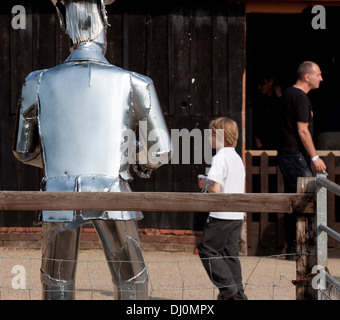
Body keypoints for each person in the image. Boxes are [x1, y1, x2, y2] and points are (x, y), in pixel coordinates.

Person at [12, 0, 172, 300]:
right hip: (114, 189)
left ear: (66, 29)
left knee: (56, 285)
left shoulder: (37, 80)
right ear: (105, 26)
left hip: (57, 193)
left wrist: (58, 161)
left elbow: (23, 151)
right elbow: (161, 150)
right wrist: (136, 163)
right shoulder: (135, 81)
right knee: (132, 283)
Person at [277, 61, 326, 259]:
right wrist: (314, 157)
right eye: (319, 74)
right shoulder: (301, 97)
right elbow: (302, 130)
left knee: (294, 201)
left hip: (286, 155)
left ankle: (293, 249)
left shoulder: (288, 94)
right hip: (296, 155)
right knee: (308, 199)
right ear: (307, 76)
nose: (321, 79)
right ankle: (305, 249)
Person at [197, 117, 247, 300]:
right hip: (236, 215)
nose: (209, 137)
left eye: (211, 134)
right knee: (230, 254)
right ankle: (238, 296)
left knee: (206, 249)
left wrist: (204, 183)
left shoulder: (219, 158)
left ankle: (227, 288)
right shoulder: (236, 158)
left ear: (220, 136)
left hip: (221, 214)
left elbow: (216, 188)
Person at [252, 73, 282, 150]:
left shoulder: (280, 100)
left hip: (278, 140)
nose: (259, 87)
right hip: (262, 141)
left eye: (262, 84)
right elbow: (255, 120)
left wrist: (280, 97)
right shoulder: (258, 100)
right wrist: (255, 136)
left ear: (271, 82)